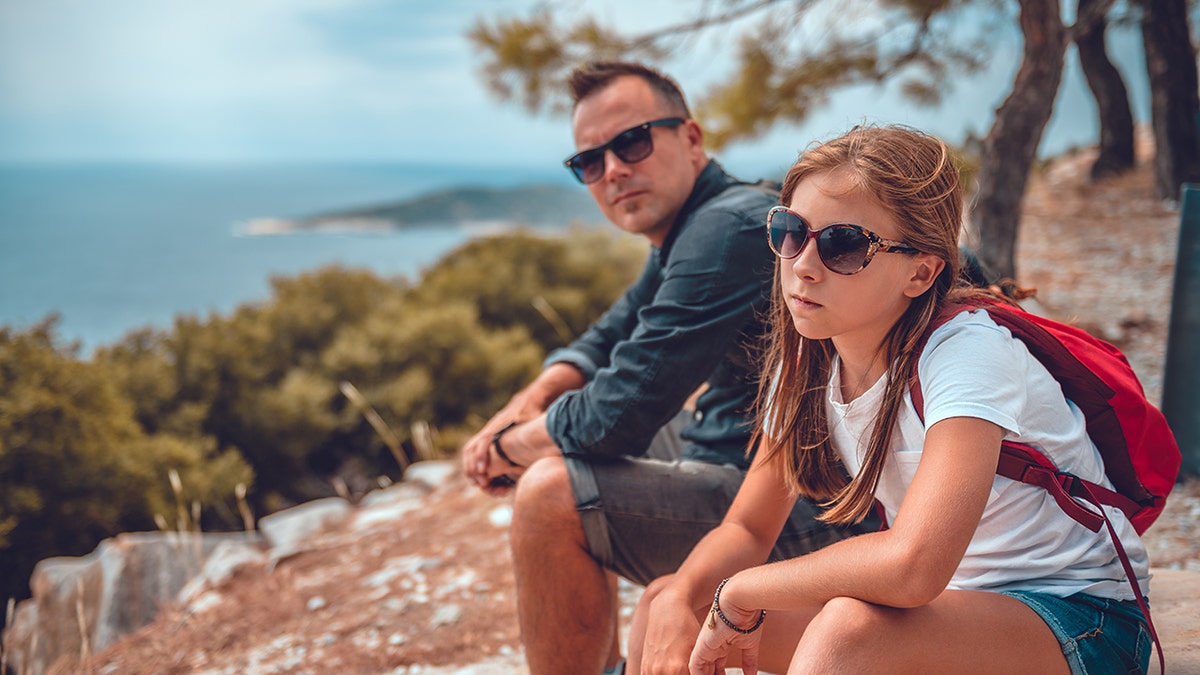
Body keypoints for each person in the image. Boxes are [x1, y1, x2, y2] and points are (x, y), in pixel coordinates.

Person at [627, 125, 1152, 675]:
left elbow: (913, 566)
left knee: (846, 633)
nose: (803, 264)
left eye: (844, 245)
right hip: (950, 611)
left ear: (921, 272)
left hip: (1082, 619)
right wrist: (682, 595)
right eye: (790, 231)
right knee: (670, 606)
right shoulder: (809, 360)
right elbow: (749, 529)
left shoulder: (966, 353)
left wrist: (741, 590)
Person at [459, 61, 870, 674]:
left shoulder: (724, 230)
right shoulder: (696, 226)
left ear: (692, 139)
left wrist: (508, 447)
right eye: (588, 163)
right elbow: (610, 333)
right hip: (749, 448)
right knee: (565, 447)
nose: (613, 170)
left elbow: (615, 415)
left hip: (824, 506)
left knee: (549, 493)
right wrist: (531, 399)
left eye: (631, 141)